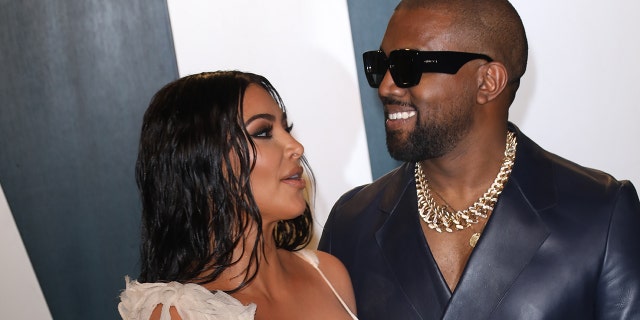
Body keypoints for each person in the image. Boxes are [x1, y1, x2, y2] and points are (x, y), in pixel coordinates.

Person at [318, 0, 640, 319]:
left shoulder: (600, 215)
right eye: (380, 64)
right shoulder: (351, 224)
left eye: (407, 67)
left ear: (488, 82)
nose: (386, 86)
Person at [119, 71, 358, 320]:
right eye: (263, 132)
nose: (296, 147)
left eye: (286, 128)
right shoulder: (177, 314)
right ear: (202, 161)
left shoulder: (329, 274)